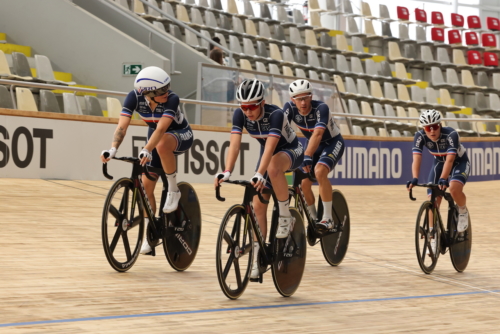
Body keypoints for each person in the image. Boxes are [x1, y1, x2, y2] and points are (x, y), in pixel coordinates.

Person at [214, 79, 304, 278]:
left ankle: (285, 215)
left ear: (262, 102)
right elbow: (235, 145)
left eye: (252, 106)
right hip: (268, 154)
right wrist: (227, 170)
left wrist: (259, 173)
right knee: (258, 207)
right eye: (244, 107)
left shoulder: (276, 114)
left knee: (271, 168)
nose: (248, 111)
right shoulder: (240, 115)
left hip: (290, 150)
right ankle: (258, 258)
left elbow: (272, 147)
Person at [101, 66, 194, 254]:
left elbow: (161, 130)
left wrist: (146, 149)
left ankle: (174, 190)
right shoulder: (133, 98)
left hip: (179, 133)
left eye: (167, 88)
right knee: (146, 187)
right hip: (156, 137)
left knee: (161, 146)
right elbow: (122, 127)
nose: (166, 93)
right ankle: (148, 236)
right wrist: (112, 149)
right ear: (147, 93)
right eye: (161, 91)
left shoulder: (172, 99)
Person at [283, 79, 345, 232]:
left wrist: (307, 155)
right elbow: (280, 132)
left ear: (311, 96)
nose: (303, 102)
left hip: (332, 142)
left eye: (306, 97)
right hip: (312, 144)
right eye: (299, 99)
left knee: (319, 171)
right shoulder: (289, 108)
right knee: (304, 184)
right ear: (292, 100)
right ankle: (314, 219)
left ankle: (328, 218)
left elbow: (318, 134)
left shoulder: (321, 108)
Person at [407, 109, 470, 252]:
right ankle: (433, 236)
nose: (432, 131)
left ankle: (462, 210)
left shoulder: (451, 134)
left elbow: (450, 160)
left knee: (454, 188)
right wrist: (415, 178)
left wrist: (443, 179)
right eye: (428, 128)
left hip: (458, 162)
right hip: (439, 163)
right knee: (433, 200)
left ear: (440, 125)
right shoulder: (419, 136)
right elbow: (416, 158)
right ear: (424, 128)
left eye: (435, 126)